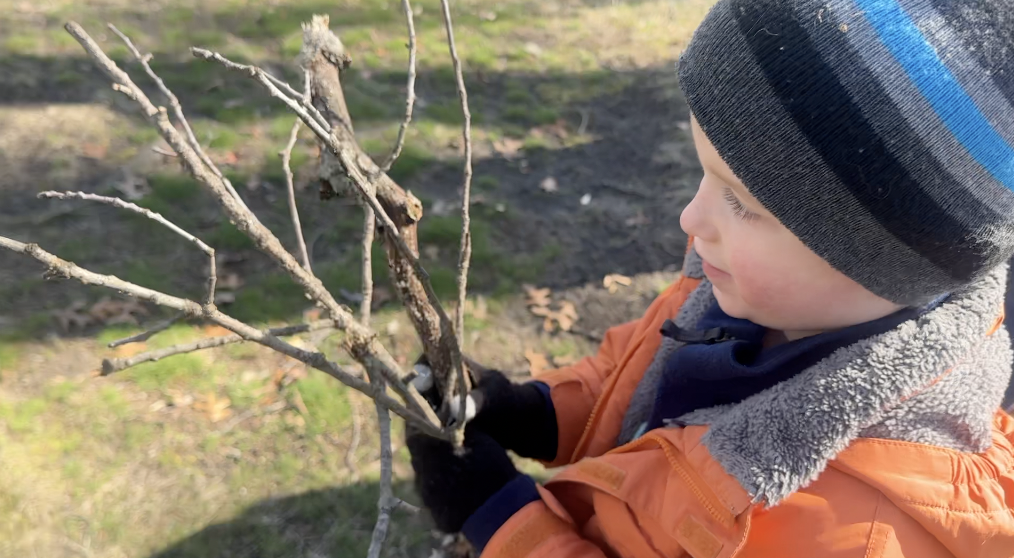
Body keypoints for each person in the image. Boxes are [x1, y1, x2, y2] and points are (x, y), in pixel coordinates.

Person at [406, 1, 1014, 556]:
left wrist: (497, 518)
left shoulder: (851, 532)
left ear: (877, 259)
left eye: (742, 202)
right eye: (704, 173)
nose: (690, 218)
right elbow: (633, 380)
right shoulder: (741, 296)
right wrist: (530, 412)